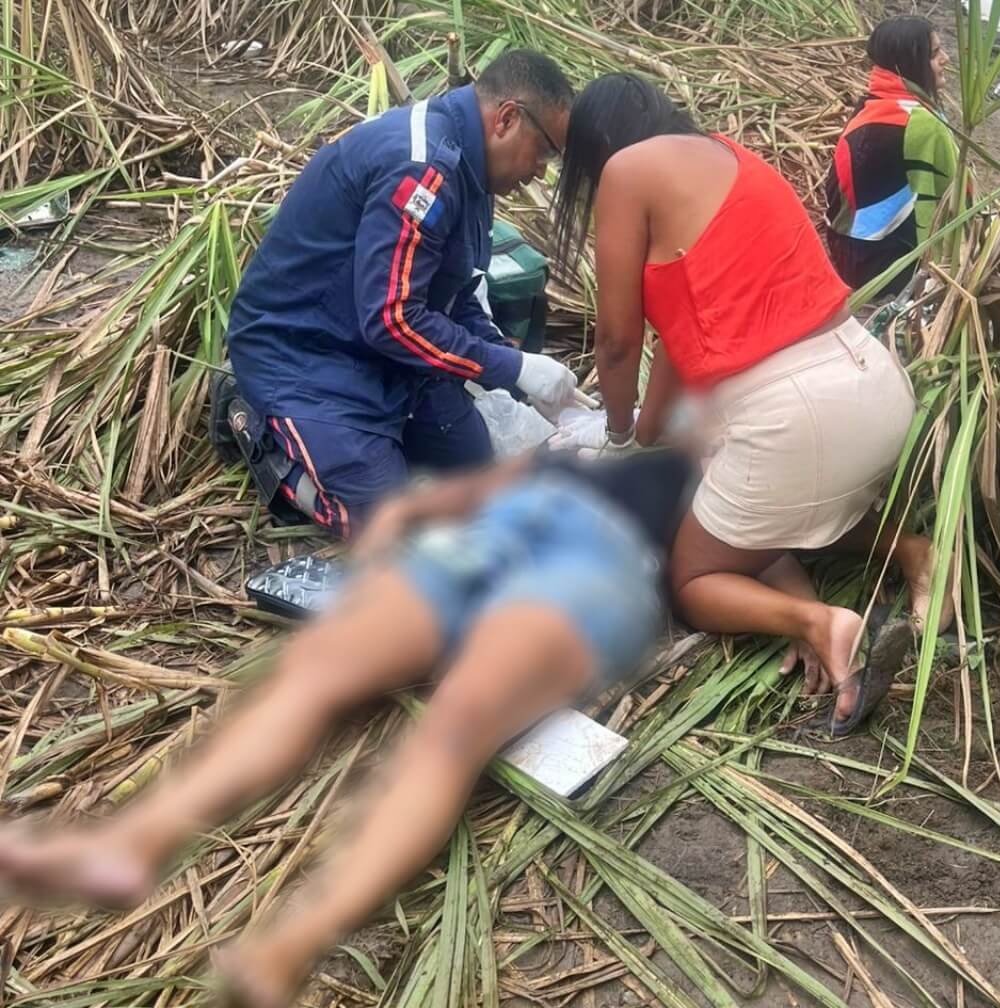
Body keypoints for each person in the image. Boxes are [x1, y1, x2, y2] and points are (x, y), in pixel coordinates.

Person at [0, 447, 696, 1008]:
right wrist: (405, 512)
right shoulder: (578, 460)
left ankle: (287, 944)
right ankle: (130, 845)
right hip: (512, 522)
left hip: (602, 559)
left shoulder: (696, 482)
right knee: (324, 672)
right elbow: (478, 485)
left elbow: (717, 567)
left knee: (453, 726)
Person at [552, 74, 950, 736]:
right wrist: (648, 433)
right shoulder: (731, 161)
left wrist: (616, 434)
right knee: (768, 512)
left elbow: (619, 343)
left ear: (599, 144)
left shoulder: (627, 171)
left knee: (694, 578)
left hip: (796, 416)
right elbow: (677, 341)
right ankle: (910, 550)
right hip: (875, 384)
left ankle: (818, 622)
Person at [212, 50, 580, 537]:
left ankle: (370, 442)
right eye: (546, 151)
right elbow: (393, 318)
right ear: (507, 118)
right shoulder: (423, 169)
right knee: (388, 523)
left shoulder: (473, 174)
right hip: (306, 355)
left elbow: (456, 292)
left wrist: (512, 366)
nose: (540, 172)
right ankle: (258, 431)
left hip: (384, 355)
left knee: (474, 468)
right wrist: (513, 367)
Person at [823, 16, 958, 296]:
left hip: (847, 250)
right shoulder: (921, 122)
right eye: (934, 53)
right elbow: (953, 195)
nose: (945, 58)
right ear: (910, 63)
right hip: (883, 267)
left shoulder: (875, 103)